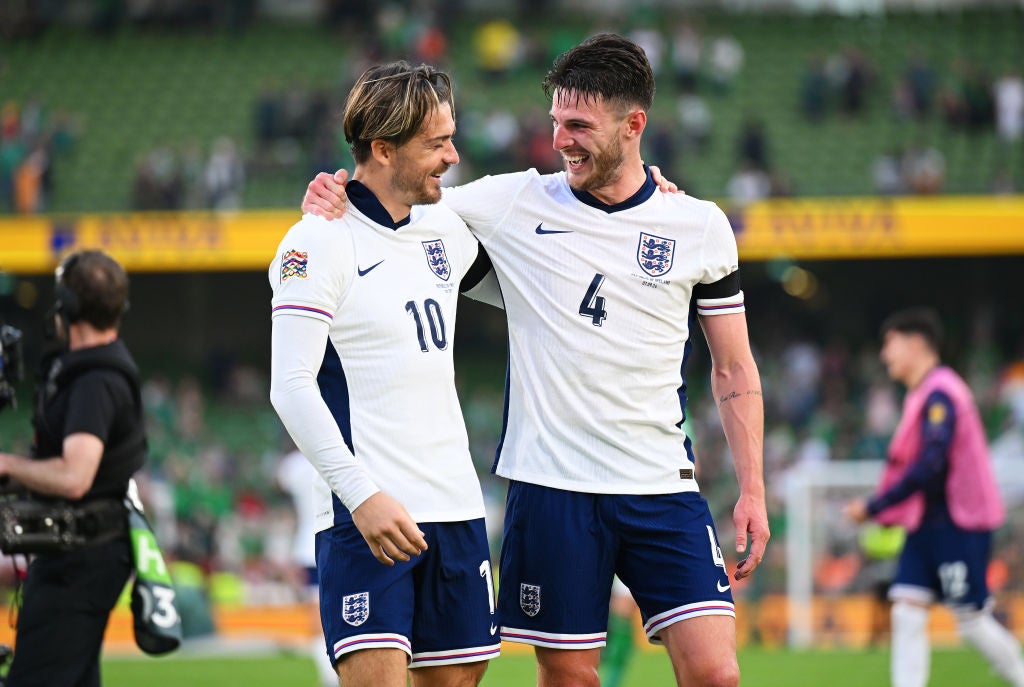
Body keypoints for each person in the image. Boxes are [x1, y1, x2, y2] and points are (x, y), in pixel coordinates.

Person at [302, 33, 770, 687]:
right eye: (555, 122)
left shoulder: (699, 225)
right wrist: (339, 195)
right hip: (554, 487)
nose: (561, 140)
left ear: (634, 124)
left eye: (578, 125)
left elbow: (733, 368)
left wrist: (752, 488)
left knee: (717, 672)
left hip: (663, 483)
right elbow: (398, 199)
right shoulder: (512, 203)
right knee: (573, 677)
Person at [268, 62, 503, 687]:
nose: (453, 156)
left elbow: (533, 291)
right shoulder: (315, 242)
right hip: (366, 515)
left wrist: (640, 194)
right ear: (382, 149)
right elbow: (289, 386)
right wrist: (361, 496)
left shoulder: (446, 228)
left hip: (454, 508)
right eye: (436, 143)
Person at [845, 308, 1024, 687]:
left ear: (914, 344)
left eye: (889, 344)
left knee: (971, 620)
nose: (884, 355)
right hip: (926, 524)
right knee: (906, 612)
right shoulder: (924, 393)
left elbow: (930, 465)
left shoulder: (942, 393)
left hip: (958, 523)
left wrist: (875, 507)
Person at [0, 249, 145, 687]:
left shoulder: (96, 380)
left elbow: (74, 476)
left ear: (68, 308)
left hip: (79, 561)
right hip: (83, 554)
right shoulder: (93, 370)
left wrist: (7, 464)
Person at [275, 443, 337, 687]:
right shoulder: (337, 452)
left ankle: (329, 673)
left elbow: (280, 485)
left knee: (316, 613)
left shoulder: (292, 464)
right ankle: (333, 672)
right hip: (336, 541)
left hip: (307, 545)